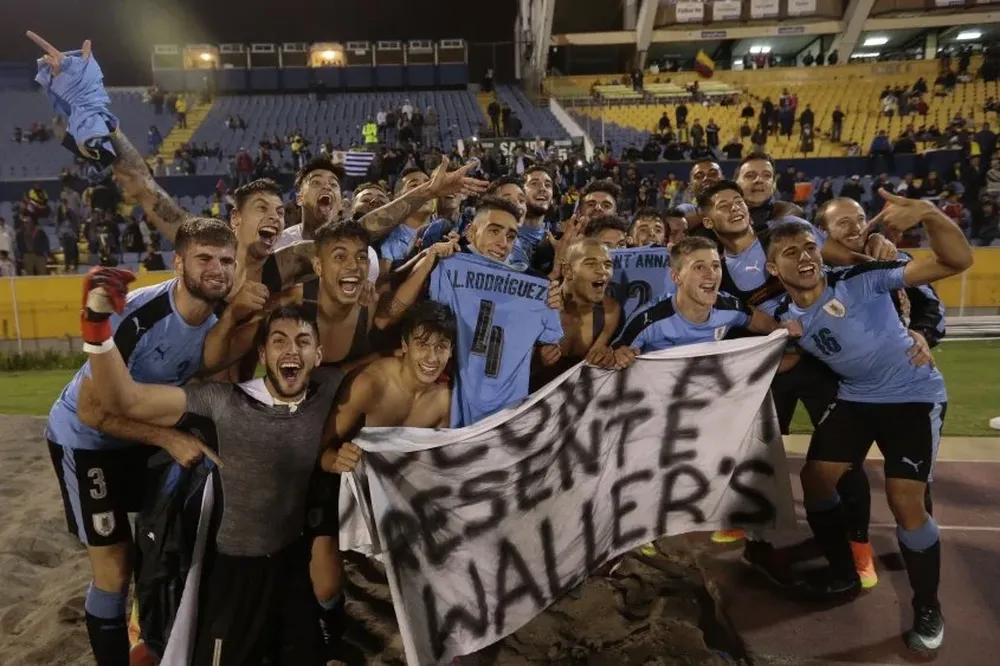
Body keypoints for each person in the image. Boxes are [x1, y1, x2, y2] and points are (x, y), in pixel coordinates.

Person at [81, 292, 342, 665]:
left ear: (318, 355)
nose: (291, 351)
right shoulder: (222, 402)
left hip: (290, 568)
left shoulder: (326, 391)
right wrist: (95, 327)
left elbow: (384, 372)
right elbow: (127, 400)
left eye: (302, 342)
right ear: (263, 354)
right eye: (279, 341)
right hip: (231, 575)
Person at [766, 189, 974, 652]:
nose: (803, 257)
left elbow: (955, 260)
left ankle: (927, 605)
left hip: (913, 394)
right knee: (816, 480)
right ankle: (843, 573)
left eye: (808, 248)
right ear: (771, 268)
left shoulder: (861, 278)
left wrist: (928, 213)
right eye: (789, 252)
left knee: (905, 504)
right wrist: (782, 342)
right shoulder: (782, 317)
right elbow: (767, 362)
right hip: (858, 398)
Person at [44, 219, 237, 666]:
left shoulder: (222, 317)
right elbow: (94, 412)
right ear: (178, 262)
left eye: (226, 260)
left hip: (139, 439)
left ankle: (149, 637)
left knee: (165, 546)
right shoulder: (137, 316)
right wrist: (166, 437)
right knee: (114, 565)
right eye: (204, 258)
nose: (217, 269)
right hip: (85, 441)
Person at [380, 196, 563, 426]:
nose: (503, 243)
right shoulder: (447, 263)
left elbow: (547, 348)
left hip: (508, 412)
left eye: (510, 236)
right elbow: (389, 312)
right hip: (444, 399)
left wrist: (551, 302)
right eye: (493, 231)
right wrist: (428, 259)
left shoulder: (534, 284)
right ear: (470, 231)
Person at [320, 301, 458, 474]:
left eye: (441, 347)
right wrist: (336, 462)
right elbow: (320, 451)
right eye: (422, 345)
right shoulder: (369, 385)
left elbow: (437, 467)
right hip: (342, 489)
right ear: (405, 345)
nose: (432, 358)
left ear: (451, 350)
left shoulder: (444, 402)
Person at [613, 236, 784, 362]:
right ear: (676, 277)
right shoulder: (648, 319)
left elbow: (765, 325)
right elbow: (617, 353)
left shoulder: (730, 306)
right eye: (699, 267)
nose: (711, 275)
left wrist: (784, 331)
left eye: (716, 266)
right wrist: (619, 355)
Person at [530, 238, 621, 390]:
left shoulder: (610, 310)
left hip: (574, 397)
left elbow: (589, 370)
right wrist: (537, 361)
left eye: (607, 265)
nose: (602, 271)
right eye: (591, 263)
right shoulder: (539, 303)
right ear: (568, 271)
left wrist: (605, 358)